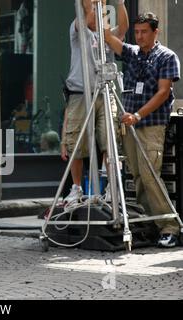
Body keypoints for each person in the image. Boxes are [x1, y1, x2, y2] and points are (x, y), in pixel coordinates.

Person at [104, 12, 181, 247]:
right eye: (136, 32)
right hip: (130, 125)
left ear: (155, 32)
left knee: (150, 176)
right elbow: (108, 38)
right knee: (136, 176)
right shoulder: (134, 53)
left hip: (150, 124)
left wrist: (137, 115)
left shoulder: (167, 56)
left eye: (144, 32)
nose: (139, 36)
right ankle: (151, 223)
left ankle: (171, 227)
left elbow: (163, 93)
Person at [62, 0, 128, 203]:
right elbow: (89, 17)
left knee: (110, 141)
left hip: (105, 93)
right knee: (77, 144)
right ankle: (76, 188)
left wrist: (120, 4)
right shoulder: (78, 29)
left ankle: (111, 187)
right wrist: (93, 4)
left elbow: (124, 27)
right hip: (81, 94)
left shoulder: (106, 35)